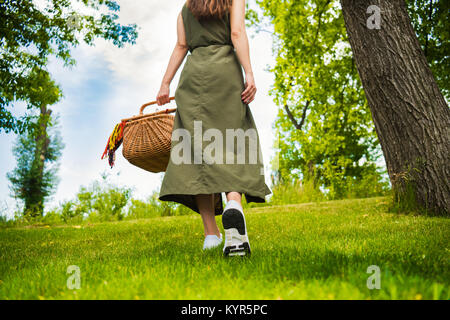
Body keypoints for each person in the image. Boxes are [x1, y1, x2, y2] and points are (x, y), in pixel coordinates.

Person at [156, 0, 271, 257]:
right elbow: (237, 33)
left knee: (197, 151)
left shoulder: (187, 7)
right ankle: (233, 204)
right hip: (225, 74)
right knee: (233, 141)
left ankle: (211, 234)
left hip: (193, 78)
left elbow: (181, 46)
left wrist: (165, 84)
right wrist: (249, 73)